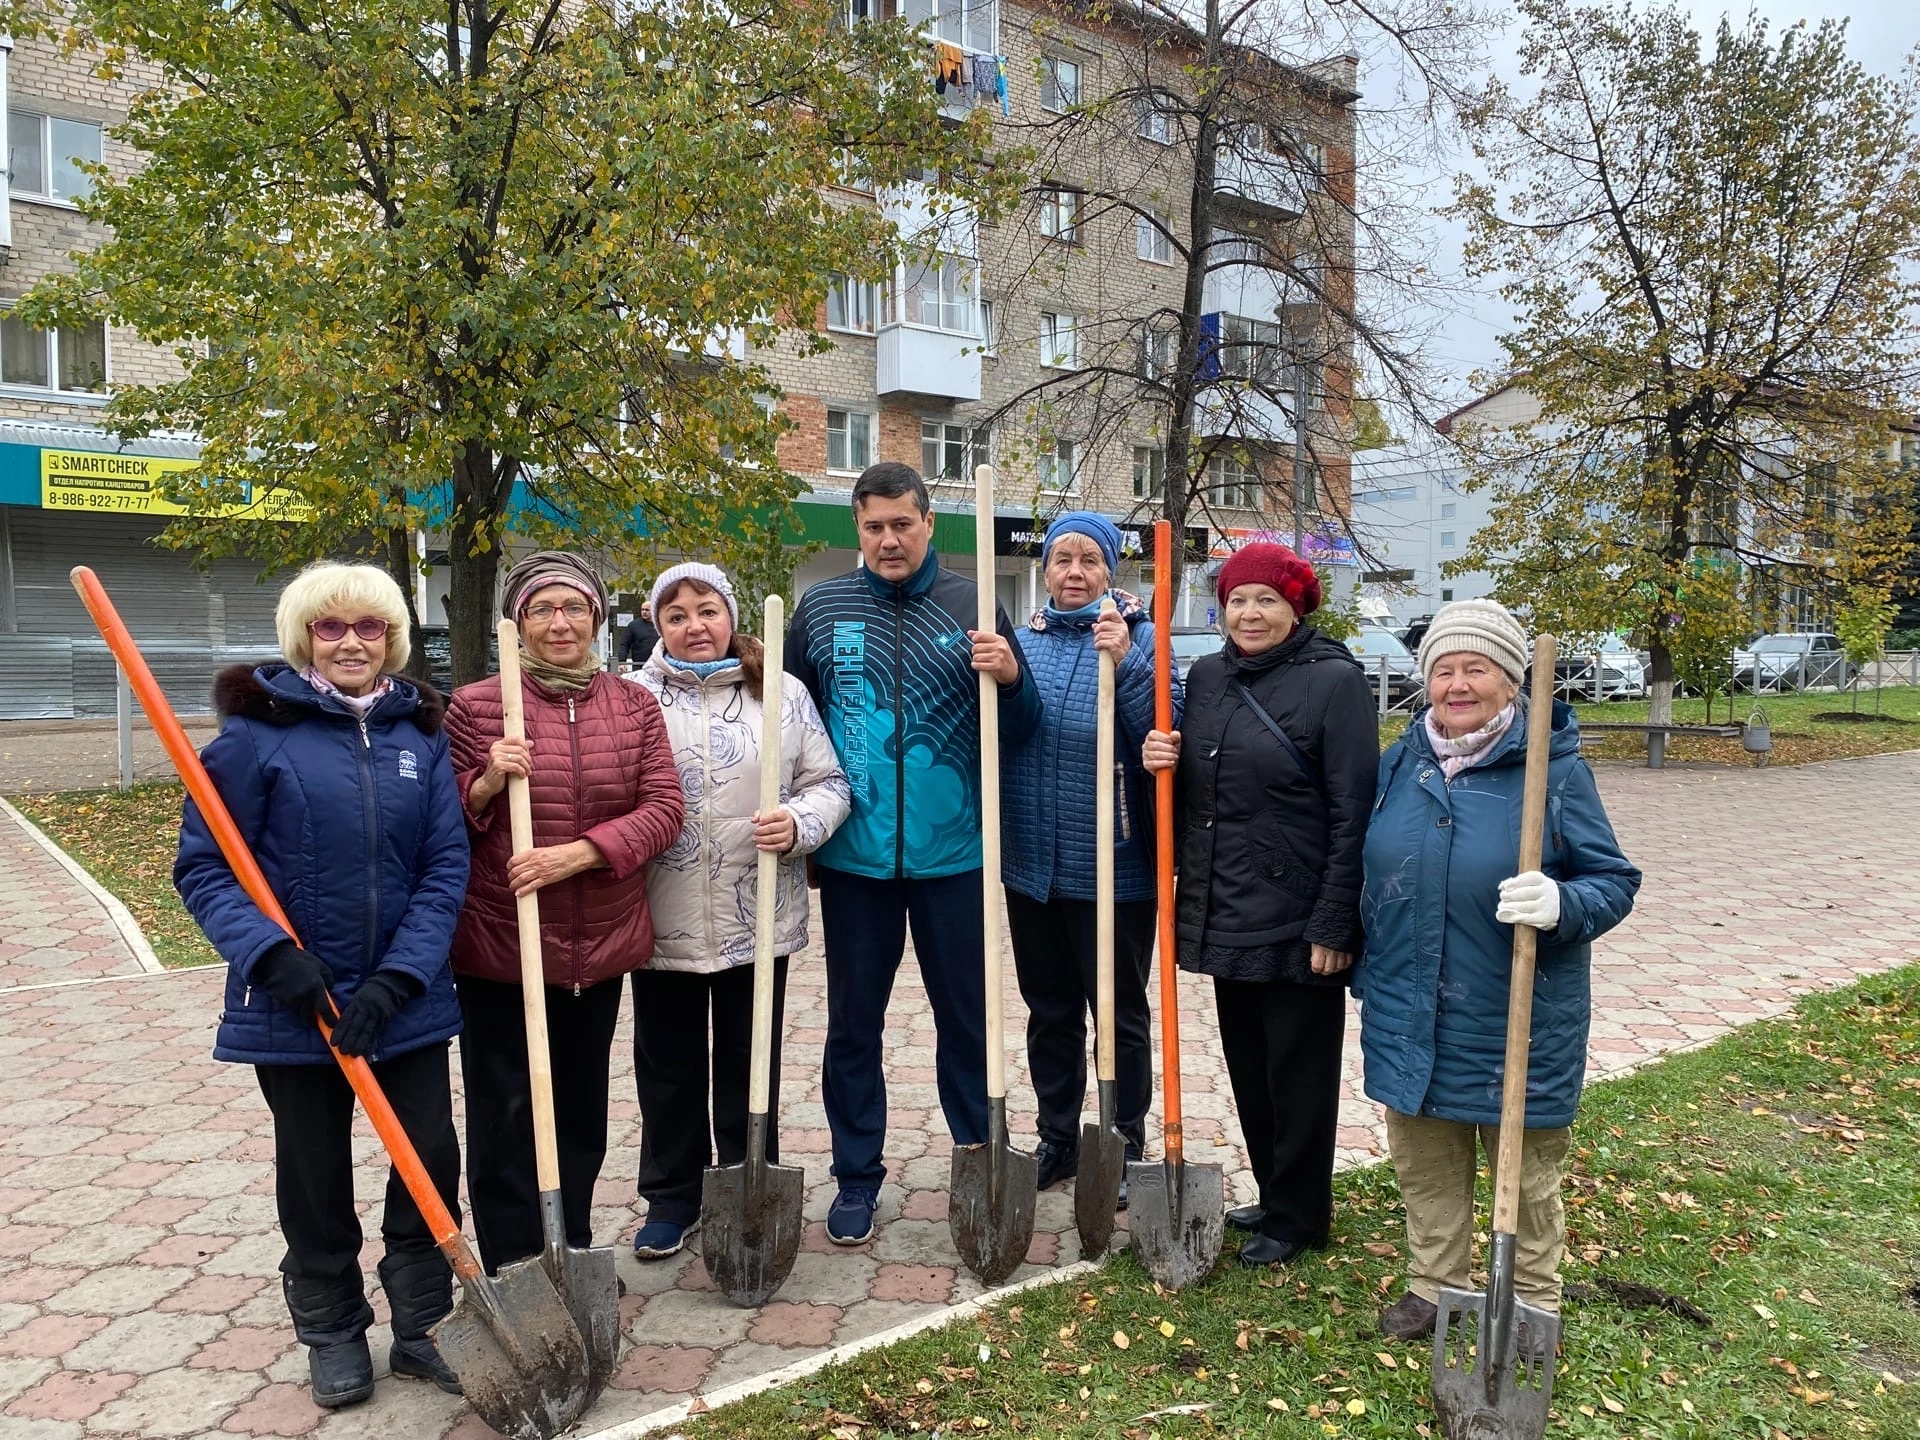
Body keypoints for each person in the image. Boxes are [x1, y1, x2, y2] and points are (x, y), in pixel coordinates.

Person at [175, 562, 468, 1409]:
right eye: (331, 627)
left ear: (392, 639)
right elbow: (205, 870)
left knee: (430, 1158)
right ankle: (334, 1331)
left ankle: (420, 1330)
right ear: (304, 636)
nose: (350, 642)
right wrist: (271, 958)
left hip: (400, 1001)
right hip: (294, 1004)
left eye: (368, 627)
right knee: (312, 1173)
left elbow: (444, 865)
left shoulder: (420, 736)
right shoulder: (252, 739)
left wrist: (399, 977)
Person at [1356, 599, 1640, 1349]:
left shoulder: (1554, 769)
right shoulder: (1399, 762)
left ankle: (1530, 1299)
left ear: (1511, 681)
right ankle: (1434, 1284)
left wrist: (1562, 901)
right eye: (1443, 669)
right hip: (1409, 1002)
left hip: (1517, 1008)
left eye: (1475, 668)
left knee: (1528, 1174)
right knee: (1424, 1159)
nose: (1457, 684)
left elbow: (1613, 879)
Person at [784, 461, 1043, 1245]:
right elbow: (792, 724)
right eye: (873, 527)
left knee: (965, 1021)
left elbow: (1021, 729)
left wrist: (1010, 678)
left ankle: (977, 1157)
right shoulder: (821, 609)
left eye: (902, 523)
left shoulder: (974, 605)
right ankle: (857, 1177)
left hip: (955, 860)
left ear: (929, 522)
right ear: (857, 531)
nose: (889, 539)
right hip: (856, 863)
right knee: (853, 1029)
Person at [444, 551, 684, 1274]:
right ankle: (516, 1266)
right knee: (505, 1114)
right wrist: (486, 780)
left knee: (579, 1116)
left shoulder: (633, 704)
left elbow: (665, 809)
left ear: (597, 617)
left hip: (599, 944)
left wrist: (577, 855)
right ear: (517, 622)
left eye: (573, 607)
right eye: (542, 609)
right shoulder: (477, 706)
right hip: (502, 952)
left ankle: (569, 1245)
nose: (559, 623)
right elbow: (444, 820)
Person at [1142, 542, 1378, 1266]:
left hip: (1302, 912)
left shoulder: (1335, 683)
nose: (1249, 613)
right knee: (1248, 1062)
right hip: (1228, 903)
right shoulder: (1210, 676)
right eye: (1238, 599)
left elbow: (1354, 811)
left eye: (1266, 600)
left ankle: (1301, 1213)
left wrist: (1336, 920)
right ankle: (1274, 1192)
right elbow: (1205, 796)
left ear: (1296, 606)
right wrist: (1164, 764)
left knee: (1298, 1071)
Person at [626, 563, 850, 1259]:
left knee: (750, 1058)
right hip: (662, 914)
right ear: (657, 625)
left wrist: (800, 823)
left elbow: (829, 781)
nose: (695, 626)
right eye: (677, 615)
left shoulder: (779, 691)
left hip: (757, 916)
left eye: (707, 610)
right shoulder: (634, 698)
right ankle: (673, 1195)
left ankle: (748, 1177)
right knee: (669, 1062)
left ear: (730, 614)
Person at [1001, 512, 1179, 1196]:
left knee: (1120, 1015)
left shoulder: (1142, 641)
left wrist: (1128, 662)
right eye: (1062, 559)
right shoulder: (1023, 643)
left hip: (1116, 866)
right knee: (1049, 1012)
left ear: (1111, 571)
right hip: (1032, 868)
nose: (1074, 572)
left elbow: (1164, 734)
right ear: (1045, 569)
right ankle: (1056, 1136)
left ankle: (1124, 1141)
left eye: (1089, 561)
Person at [618, 601, 659, 672]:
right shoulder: (634, 625)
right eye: (642, 609)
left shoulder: (660, 625)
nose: (644, 612)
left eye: (647, 610)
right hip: (639, 666)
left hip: (658, 666)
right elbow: (624, 645)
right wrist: (622, 662)